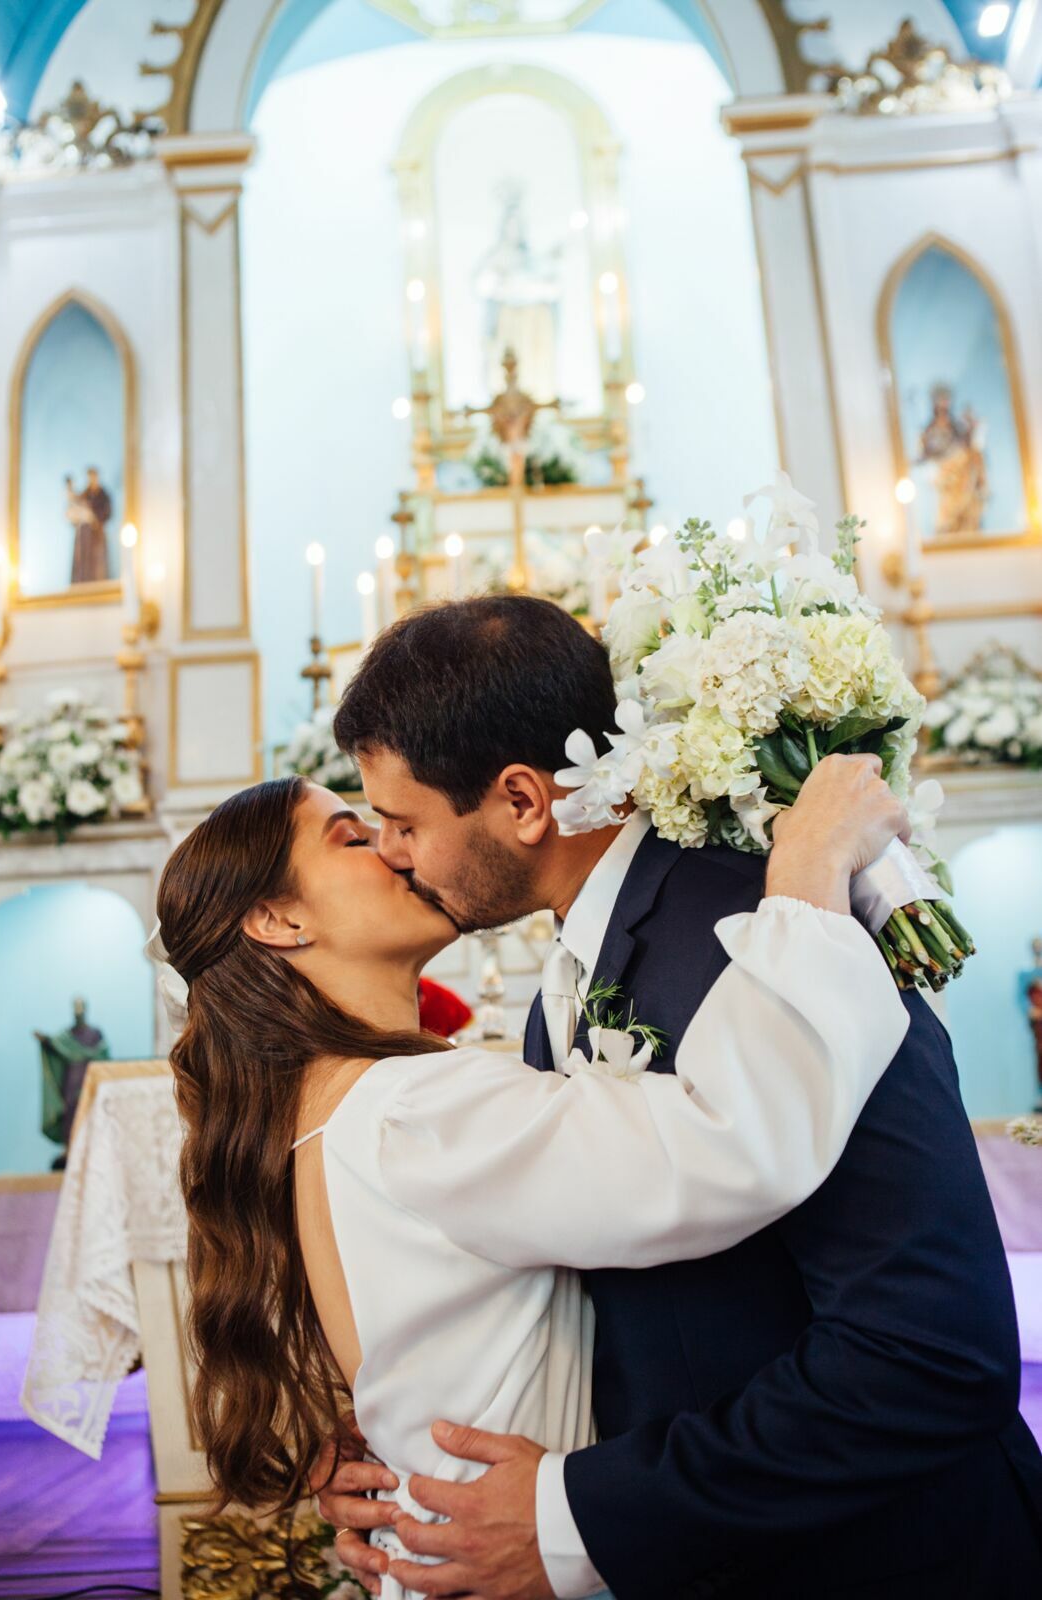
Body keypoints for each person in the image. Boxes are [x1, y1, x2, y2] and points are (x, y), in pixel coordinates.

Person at [322, 595, 1042, 1600]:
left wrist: (579, 1517)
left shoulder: (778, 931)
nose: (393, 853)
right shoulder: (564, 982)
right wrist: (412, 1474)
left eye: (402, 823)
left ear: (523, 801)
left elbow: (925, 1352)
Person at [156, 756, 910, 1600]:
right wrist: (807, 871)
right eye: (354, 837)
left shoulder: (327, 1110)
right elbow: (731, 1147)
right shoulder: (413, 1108)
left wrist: (387, 1435)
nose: (395, 852)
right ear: (278, 918)